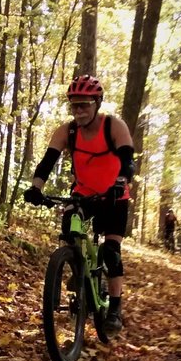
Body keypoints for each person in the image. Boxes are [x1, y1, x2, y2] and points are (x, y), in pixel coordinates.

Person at [23, 75, 135, 336]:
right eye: (74, 105)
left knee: (110, 251)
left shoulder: (114, 127)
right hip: (83, 193)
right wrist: (36, 188)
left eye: (84, 104)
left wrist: (122, 180)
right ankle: (77, 266)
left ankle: (115, 309)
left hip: (114, 196)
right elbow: (47, 162)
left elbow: (128, 160)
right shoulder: (67, 131)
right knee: (70, 229)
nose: (79, 111)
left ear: (97, 103)